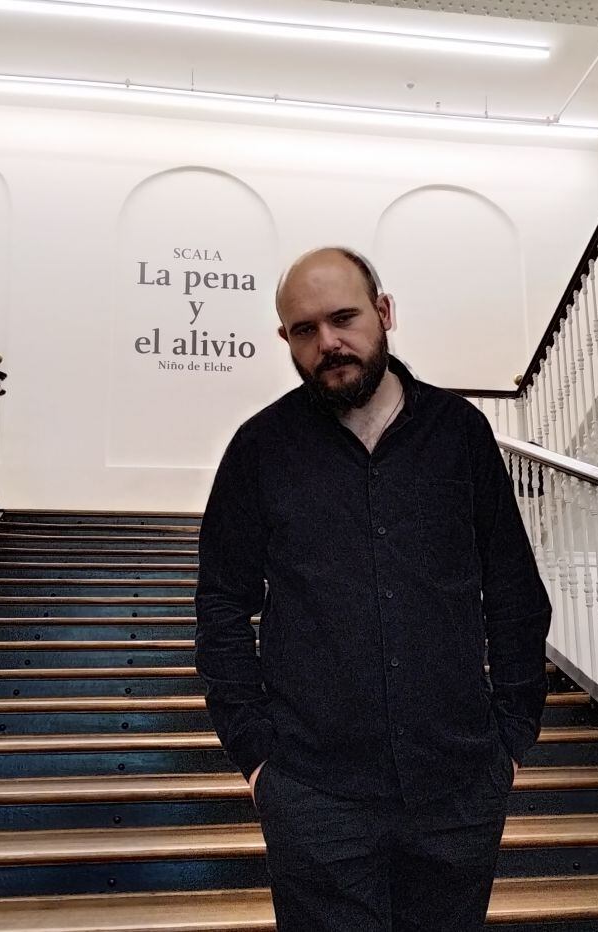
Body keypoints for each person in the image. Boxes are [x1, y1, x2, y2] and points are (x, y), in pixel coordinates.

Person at [194, 246, 552, 931]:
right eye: (304, 330)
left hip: (458, 788)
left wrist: (511, 736)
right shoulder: (259, 449)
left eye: (343, 318)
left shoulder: (460, 435)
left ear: (384, 312)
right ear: (286, 341)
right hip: (313, 793)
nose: (328, 343)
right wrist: (258, 757)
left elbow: (513, 588)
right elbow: (221, 605)